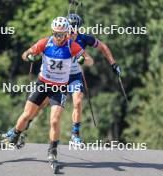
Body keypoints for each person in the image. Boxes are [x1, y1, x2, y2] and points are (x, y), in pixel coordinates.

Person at [3, 16, 93, 161]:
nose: (58, 37)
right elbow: (25, 54)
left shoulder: (72, 46)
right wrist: (30, 56)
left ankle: (53, 149)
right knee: (26, 115)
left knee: (54, 121)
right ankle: (16, 133)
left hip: (59, 89)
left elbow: (90, 61)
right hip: (42, 85)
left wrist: (84, 59)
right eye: (56, 34)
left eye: (61, 34)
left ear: (66, 33)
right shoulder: (45, 42)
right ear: (52, 32)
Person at [26, 13, 122, 144]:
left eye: (76, 28)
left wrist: (113, 63)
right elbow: (43, 48)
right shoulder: (60, 40)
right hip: (56, 79)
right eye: (71, 28)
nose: (73, 31)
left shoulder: (84, 39)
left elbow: (103, 47)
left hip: (74, 76)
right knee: (42, 103)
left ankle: (75, 134)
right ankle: (25, 126)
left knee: (77, 101)